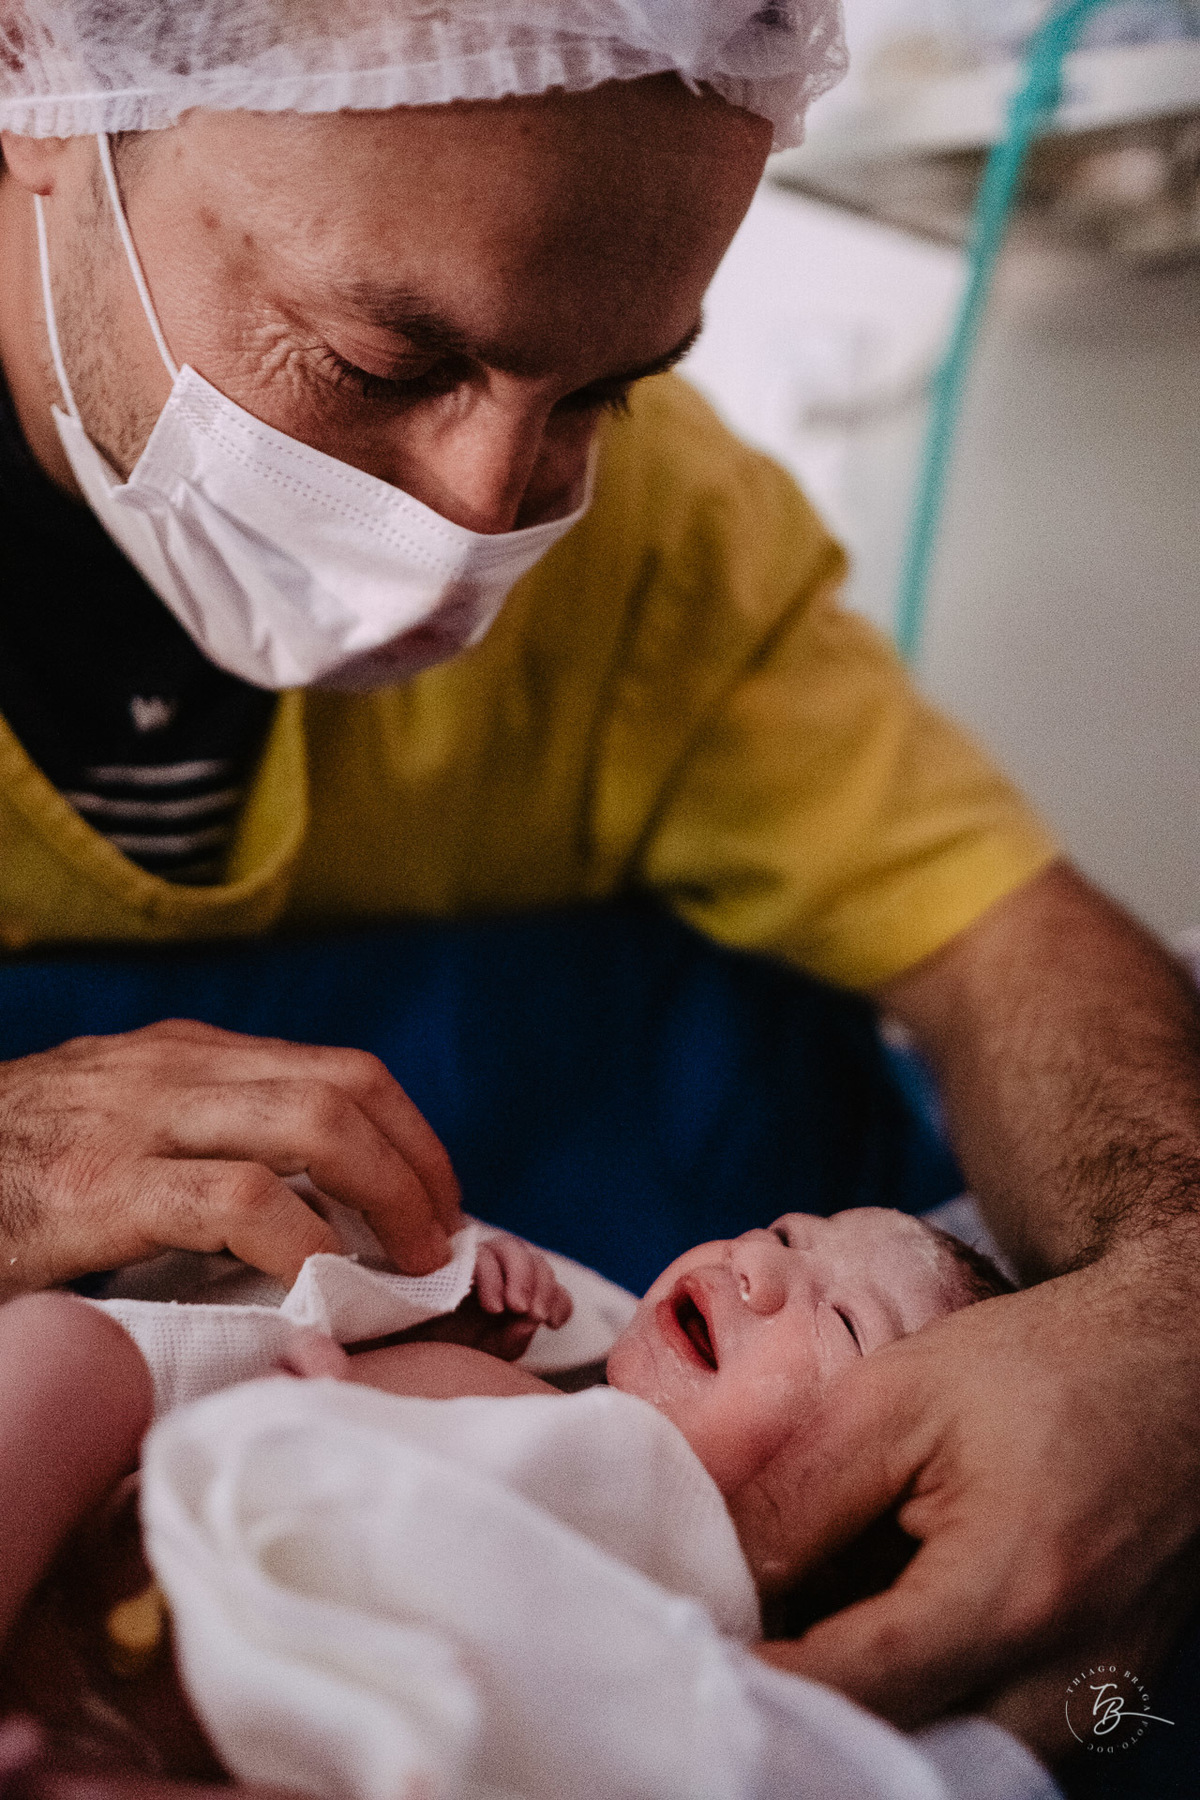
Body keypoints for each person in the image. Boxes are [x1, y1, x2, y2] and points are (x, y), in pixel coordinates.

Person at [0, 3, 1199, 1786]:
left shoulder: (665, 547)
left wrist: (1174, 1310)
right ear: (38, 85)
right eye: (381, 360)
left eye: (610, 387)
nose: (493, 505)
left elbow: (1001, 939)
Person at [0, 1218, 1046, 1800]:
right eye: (787, 1232)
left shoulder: (698, 1648)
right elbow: (286, 1318)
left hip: (259, 1741)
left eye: (845, 1319)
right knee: (64, 1352)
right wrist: (420, 1301)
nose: (764, 1268)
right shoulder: (540, 1363)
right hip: (122, 1540)